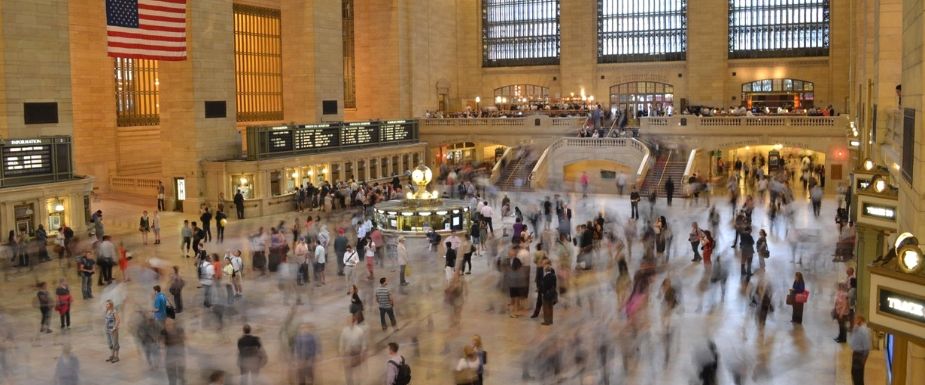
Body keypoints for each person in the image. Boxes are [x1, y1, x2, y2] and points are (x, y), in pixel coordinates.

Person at [162, 318, 187, 385]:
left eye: (170, 324)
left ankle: (181, 379)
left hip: (179, 351)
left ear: (173, 324)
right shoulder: (164, 331)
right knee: (170, 369)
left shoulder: (180, 329)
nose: (168, 326)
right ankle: (173, 382)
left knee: (181, 368)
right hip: (170, 352)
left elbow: (184, 338)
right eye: (166, 324)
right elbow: (162, 341)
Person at [851, 316, 871, 385]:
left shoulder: (864, 331)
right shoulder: (858, 328)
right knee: (855, 374)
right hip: (856, 354)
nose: (854, 321)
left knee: (857, 377)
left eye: (856, 319)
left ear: (860, 320)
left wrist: (863, 360)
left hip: (859, 356)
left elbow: (867, 348)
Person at [540, 259, 557, 325]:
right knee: (550, 307)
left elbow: (544, 286)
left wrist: (542, 291)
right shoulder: (553, 275)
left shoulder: (546, 277)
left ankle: (546, 321)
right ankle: (550, 320)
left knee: (546, 308)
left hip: (546, 294)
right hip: (552, 293)